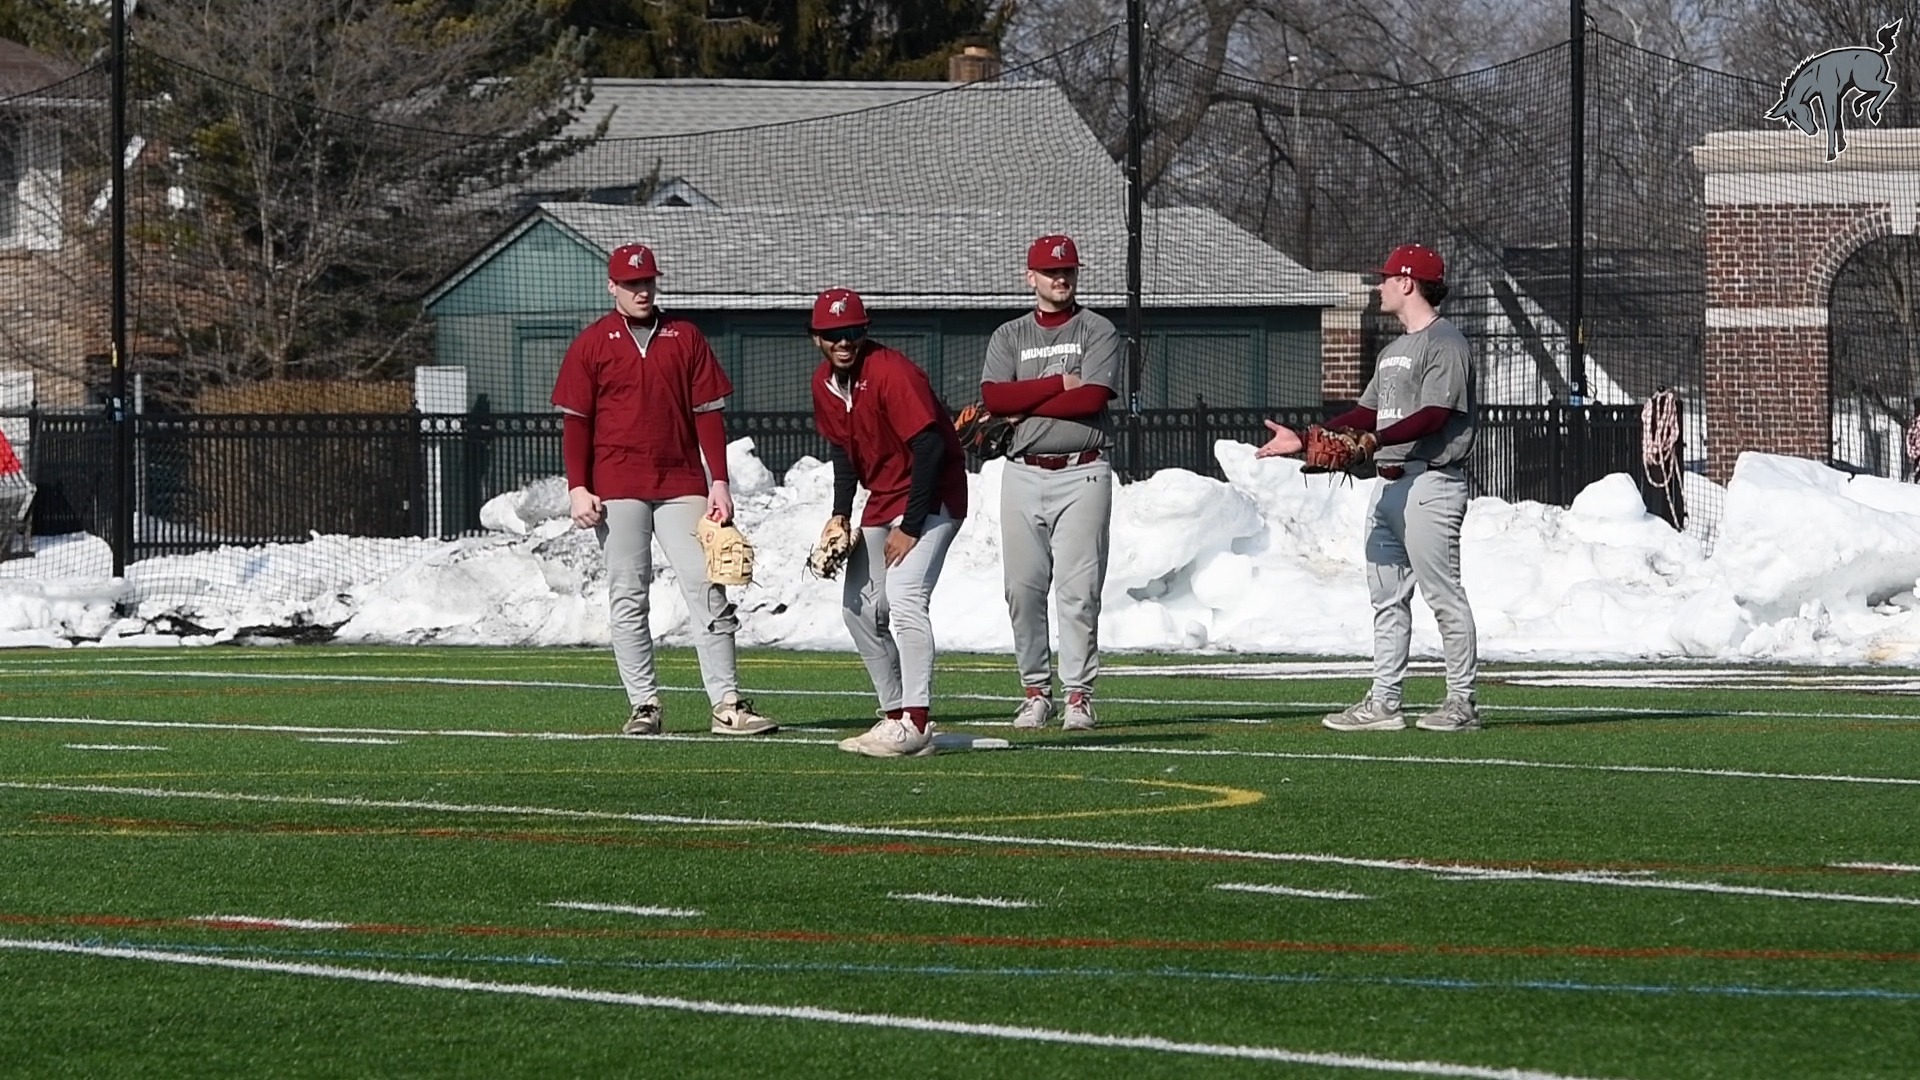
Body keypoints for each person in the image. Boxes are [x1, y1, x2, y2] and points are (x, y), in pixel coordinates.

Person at [551, 242, 777, 738]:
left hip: (680, 482)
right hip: (616, 486)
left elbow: (708, 414)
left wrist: (719, 478)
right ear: (611, 286)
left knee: (709, 587)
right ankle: (644, 705)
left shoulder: (684, 336)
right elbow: (576, 423)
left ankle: (727, 704)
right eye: (631, 283)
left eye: (647, 281)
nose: (641, 290)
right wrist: (577, 487)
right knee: (629, 595)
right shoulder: (592, 342)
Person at [1258, 242, 1480, 733]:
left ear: (1407, 282)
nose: (1377, 287)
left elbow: (1434, 415)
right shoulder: (1395, 349)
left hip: (1432, 481)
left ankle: (1462, 702)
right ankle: (1384, 703)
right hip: (1388, 485)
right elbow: (1366, 413)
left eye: (1384, 278)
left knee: (1443, 594)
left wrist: (1375, 439)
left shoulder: (1446, 342)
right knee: (1386, 599)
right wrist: (1311, 437)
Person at [809, 287, 969, 758]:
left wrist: (912, 525)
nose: (844, 341)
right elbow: (842, 450)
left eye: (852, 331)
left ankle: (916, 722)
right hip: (883, 499)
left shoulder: (891, 372)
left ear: (865, 332)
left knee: (904, 598)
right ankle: (896, 713)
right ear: (816, 337)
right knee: (858, 609)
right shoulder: (824, 383)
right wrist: (841, 512)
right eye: (834, 334)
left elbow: (931, 446)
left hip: (932, 495)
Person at [979, 234, 1120, 731]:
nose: (1061, 278)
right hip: (1022, 471)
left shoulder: (1097, 328)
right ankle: (1036, 692)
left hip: (1083, 469)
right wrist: (1060, 382)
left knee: (1079, 591)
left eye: (1068, 271)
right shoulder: (1009, 335)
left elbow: (1092, 398)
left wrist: (1024, 402)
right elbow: (994, 398)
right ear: (1031, 276)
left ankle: (1079, 695)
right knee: (1022, 588)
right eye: (1050, 272)